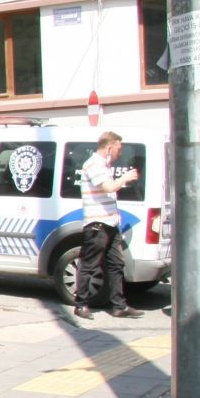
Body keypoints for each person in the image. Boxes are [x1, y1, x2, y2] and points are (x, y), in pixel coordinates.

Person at [73, 130, 142, 319]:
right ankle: (81, 304)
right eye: (119, 148)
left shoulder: (104, 165)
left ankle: (119, 306)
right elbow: (107, 187)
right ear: (109, 147)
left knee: (116, 264)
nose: (120, 153)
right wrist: (124, 178)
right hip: (98, 224)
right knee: (90, 264)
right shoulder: (94, 164)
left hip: (110, 223)